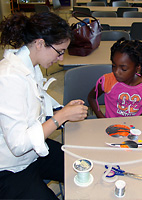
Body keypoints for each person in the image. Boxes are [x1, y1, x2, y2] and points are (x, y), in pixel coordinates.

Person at [0, 12, 88, 199]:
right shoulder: (8, 78)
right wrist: (61, 117)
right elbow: (18, 145)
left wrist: (61, 110)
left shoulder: (30, 65)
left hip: (33, 153)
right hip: (10, 168)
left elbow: (39, 100)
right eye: (60, 51)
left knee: (84, 166)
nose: (61, 59)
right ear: (40, 43)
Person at [88, 38, 142, 118]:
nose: (116, 72)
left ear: (138, 67)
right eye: (114, 66)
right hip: (111, 126)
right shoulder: (107, 81)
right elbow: (91, 98)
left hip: (134, 127)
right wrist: (102, 118)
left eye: (123, 69)